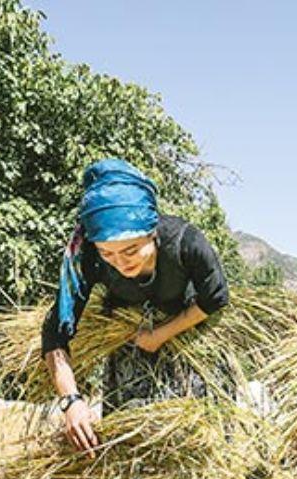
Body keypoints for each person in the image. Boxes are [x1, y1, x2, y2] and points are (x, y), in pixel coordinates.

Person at [41, 159, 230, 452]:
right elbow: (55, 334)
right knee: (133, 450)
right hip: (129, 345)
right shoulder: (87, 256)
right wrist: (71, 401)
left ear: (152, 231)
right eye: (108, 253)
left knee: (195, 445)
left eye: (130, 250)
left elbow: (215, 297)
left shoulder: (186, 243)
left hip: (189, 337)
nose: (119, 262)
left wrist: (159, 336)